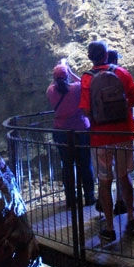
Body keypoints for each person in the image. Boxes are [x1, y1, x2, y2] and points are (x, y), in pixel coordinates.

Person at [80, 40, 134, 243]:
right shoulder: (121, 73)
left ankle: (109, 228)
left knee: (105, 183)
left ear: (90, 57)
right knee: (125, 177)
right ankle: (131, 218)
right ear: (107, 55)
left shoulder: (87, 79)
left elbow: (85, 110)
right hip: (123, 134)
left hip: (100, 138)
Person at [46, 61, 95, 208]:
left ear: (54, 78)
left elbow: (55, 85)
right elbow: (85, 85)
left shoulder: (50, 90)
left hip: (61, 132)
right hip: (81, 131)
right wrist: (70, 71)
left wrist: (62, 70)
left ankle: (71, 200)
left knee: (67, 165)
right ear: (67, 76)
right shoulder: (76, 88)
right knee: (85, 164)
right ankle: (89, 197)